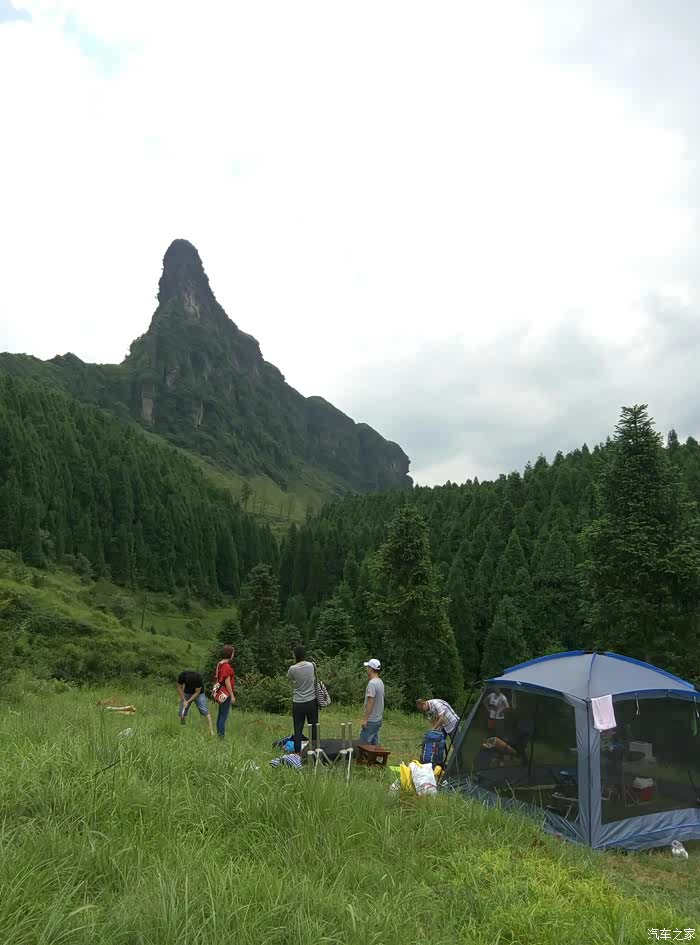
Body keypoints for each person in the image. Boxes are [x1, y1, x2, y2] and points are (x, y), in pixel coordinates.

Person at [287, 644, 318, 753]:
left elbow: (289, 678)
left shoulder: (292, 669)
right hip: (311, 700)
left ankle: (297, 752)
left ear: (295, 655)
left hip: (298, 702)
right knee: (313, 726)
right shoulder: (311, 665)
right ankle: (314, 749)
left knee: (298, 728)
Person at [177, 669, 213, 735]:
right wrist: (184, 700)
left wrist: (188, 701)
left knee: (204, 711)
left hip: (199, 694)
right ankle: (182, 728)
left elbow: (197, 692)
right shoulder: (182, 675)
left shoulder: (198, 678)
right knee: (181, 712)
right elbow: (179, 687)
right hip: (187, 692)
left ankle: (210, 731)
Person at [359, 658, 385, 745]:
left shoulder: (372, 684)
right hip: (378, 718)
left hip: (372, 720)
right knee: (374, 741)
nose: (367, 669)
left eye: (368, 667)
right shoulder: (380, 682)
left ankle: (362, 758)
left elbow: (370, 702)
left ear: (371, 669)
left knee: (363, 743)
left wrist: (366, 720)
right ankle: (378, 757)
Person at [213, 644, 236, 738]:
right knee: (223, 716)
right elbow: (227, 682)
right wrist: (232, 695)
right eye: (233, 653)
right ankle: (221, 736)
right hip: (226, 693)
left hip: (220, 693)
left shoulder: (220, 664)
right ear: (229, 654)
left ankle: (219, 734)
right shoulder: (226, 666)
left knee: (220, 714)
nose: (233, 655)